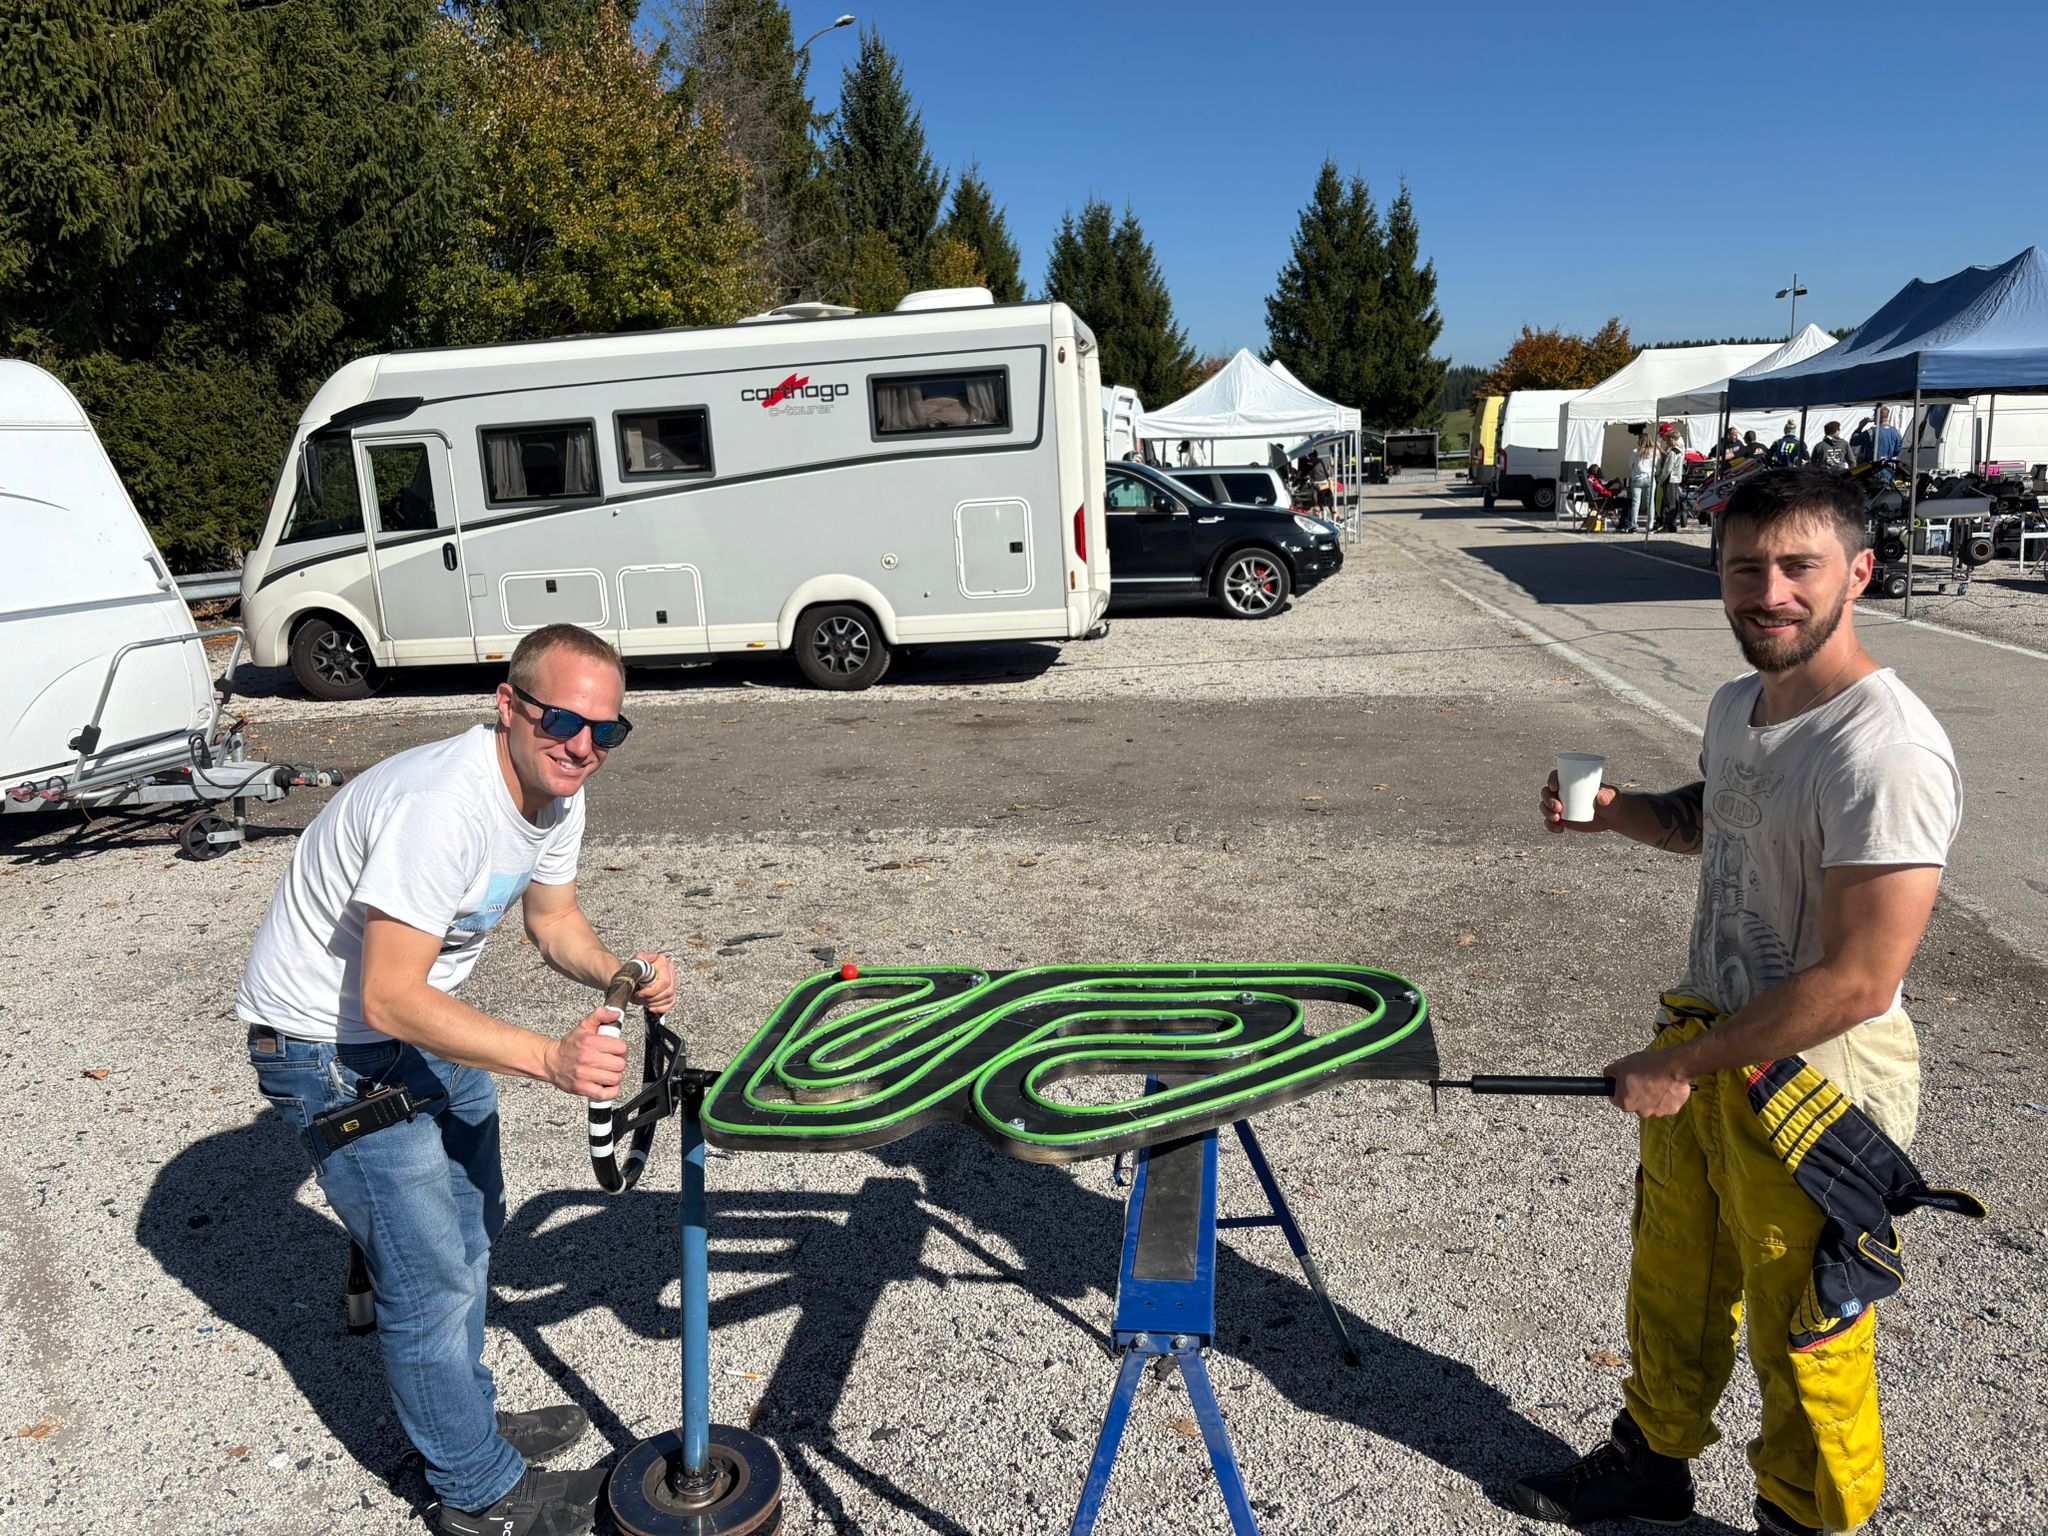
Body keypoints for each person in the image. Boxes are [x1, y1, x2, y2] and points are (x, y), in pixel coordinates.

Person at [1515, 470, 1962, 1536]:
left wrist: (1677, 1064)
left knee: (1799, 1330)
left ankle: (1799, 1519)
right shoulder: (1738, 706)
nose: (1767, 592)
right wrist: (1613, 814)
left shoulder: (1885, 751)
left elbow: (1859, 980)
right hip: (1711, 1046)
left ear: (1857, 573)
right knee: (1671, 1279)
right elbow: (1716, 818)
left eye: (1796, 567)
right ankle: (1650, 1463)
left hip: (1815, 1089)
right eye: (1743, 568)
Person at [238, 623, 678, 1536]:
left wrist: (616, 972)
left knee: (475, 1224)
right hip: (324, 1045)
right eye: (563, 719)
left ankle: (458, 1422)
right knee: (430, 1273)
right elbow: (389, 994)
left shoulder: (558, 793)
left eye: (609, 729)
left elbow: (552, 919)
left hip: (408, 1028)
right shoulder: (445, 802)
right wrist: (549, 1059)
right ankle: (478, 1495)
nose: (585, 745)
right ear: (508, 705)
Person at [1623, 433, 1658, 533]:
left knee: (1635, 502)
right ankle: (1650, 525)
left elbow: (1630, 465)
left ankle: (1633, 524)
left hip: (1637, 479)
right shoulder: (1654, 452)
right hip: (1650, 478)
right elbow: (1656, 465)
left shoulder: (1635, 452)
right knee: (1650, 502)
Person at [1658, 424, 1687, 530]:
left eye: (1668, 440)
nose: (1666, 442)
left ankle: (1669, 524)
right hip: (1677, 479)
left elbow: (1668, 468)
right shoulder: (1680, 451)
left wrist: (1662, 479)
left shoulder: (1673, 452)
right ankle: (1672, 522)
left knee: (1669, 502)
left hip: (1670, 479)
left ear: (1672, 440)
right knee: (1674, 501)